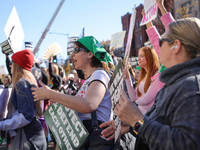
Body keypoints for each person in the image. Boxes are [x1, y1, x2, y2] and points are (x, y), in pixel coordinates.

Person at [101, 16, 200, 150]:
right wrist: (129, 125)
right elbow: (160, 124)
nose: (157, 45)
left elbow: (187, 144)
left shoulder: (191, 86)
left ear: (176, 46)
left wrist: (136, 120)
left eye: (161, 41)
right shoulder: (175, 82)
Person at [32, 36, 114, 149]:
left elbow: (88, 105)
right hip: (85, 138)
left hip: (94, 138)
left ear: (90, 54)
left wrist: (50, 94)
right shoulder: (91, 79)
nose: (72, 55)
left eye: (76, 50)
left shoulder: (100, 74)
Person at [0, 49, 46, 149]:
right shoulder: (27, 81)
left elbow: (26, 116)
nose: (10, 66)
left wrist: (2, 125)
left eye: (12, 63)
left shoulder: (22, 83)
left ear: (18, 65)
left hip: (27, 137)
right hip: (31, 135)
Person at [124, 46, 164, 114]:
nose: (138, 59)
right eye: (138, 56)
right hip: (141, 117)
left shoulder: (157, 75)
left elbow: (146, 100)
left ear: (150, 58)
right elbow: (133, 97)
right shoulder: (144, 76)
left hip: (150, 117)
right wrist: (127, 79)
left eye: (142, 56)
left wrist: (136, 101)